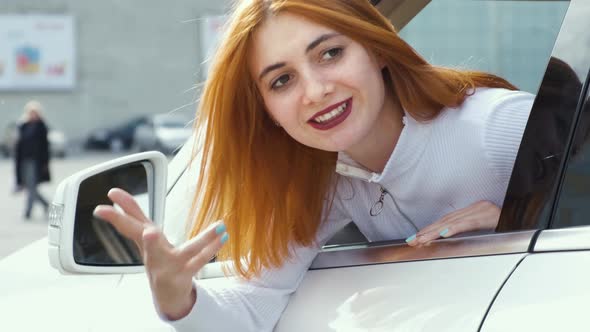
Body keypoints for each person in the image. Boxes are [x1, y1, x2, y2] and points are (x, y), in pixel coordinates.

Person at [93, 0, 535, 330]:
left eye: (330, 54)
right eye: (282, 80)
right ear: (266, 109)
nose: (316, 90)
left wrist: (520, 217)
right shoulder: (325, 182)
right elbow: (255, 304)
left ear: (378, 50)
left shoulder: (498, 124)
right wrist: (177, 298)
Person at [14, 100, 51, 220]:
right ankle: (46, 204)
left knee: (31, 187)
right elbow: (18, 146)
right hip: (24, 161)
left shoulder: (41, 127)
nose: (33, 115)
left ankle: (28, 212)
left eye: (35, 112)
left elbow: (45, 147)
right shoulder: (23, 126)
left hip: (36, 162)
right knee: (30, 187)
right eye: (31, 112)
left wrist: (45, 163)